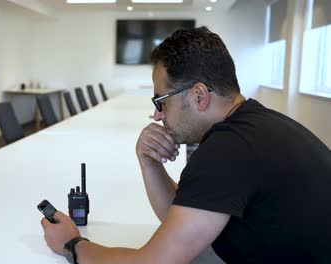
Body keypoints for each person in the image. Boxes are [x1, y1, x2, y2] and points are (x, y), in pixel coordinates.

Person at [40, 26, 331, 263]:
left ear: (199, 95)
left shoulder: (228, 150)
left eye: (161, 101)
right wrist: (149, 161)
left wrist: (72, 245)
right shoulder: (253, 126)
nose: (156, 115)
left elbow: (153, 263)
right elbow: (181, 220)